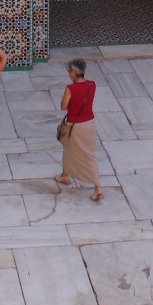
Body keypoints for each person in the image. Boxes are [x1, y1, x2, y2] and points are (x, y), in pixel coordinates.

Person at [54, 58, 103, 201]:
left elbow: (63, 107)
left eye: (69, 70)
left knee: (72, 150)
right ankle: (65, 174)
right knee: (85, 152)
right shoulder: (92, 85)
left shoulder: (71, 89)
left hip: (74, 125)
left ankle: (98, 186)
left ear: (74, 72)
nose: (69, 73)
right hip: (89, 123)